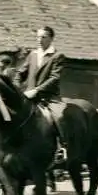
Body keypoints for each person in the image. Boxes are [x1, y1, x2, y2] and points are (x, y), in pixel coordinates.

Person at [16, 26, 68, 160]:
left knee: (59, 116)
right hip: (28, 96)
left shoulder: (57, 56)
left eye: (43, 37)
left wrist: (37, 90)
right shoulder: (33, 54)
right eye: (38, 37)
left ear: (51, 38)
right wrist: (16, 85)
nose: (39, 40)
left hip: (49, 97)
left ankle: (61, 146)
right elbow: (21, 72)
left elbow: (54, 78)